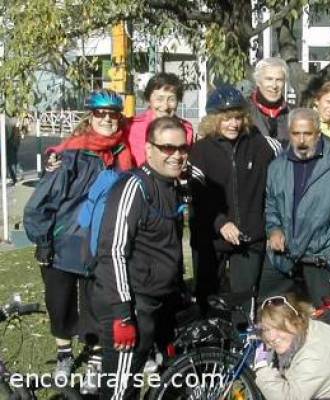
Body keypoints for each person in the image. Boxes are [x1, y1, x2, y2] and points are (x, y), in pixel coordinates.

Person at [23, 90, 133, 382]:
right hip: (64, 244)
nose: (108, 120)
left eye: (113, 114)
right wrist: (43, 240)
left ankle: (95, 362)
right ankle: (64, 356)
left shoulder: (123, 154)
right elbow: (41, 202)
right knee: (59, 305)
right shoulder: (70, 154)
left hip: (102, 246)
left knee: (97, 307)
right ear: (90, 116)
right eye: (101, 114)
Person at [91, 116, 188, 399]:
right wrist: (123, 315)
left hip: (157, 301)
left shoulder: (172, 186)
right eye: (167, 148)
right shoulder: (134, 187)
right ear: (148, 149)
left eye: (182, 148)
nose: (177, 155)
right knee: (120, 391)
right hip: (129, 304)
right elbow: (112, 252)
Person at [264, 108, 330, 307]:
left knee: (328, 324)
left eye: (308, 133)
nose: (302, 140)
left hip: (322, 257)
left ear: (318, 134)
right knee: (270, 315)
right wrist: (274, 229)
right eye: (296, 134)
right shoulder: (277, 167)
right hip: (284, 257)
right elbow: (271, 205)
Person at [189, 85, 277, 313]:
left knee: (244, 302)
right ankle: (210, 347)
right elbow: (197, 195)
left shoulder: (260, 146)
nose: (233, 124)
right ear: (214, 119)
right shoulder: (199, 151)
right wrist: (221, 222)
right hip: (210, 237)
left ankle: (241, 345)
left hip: (250, 236)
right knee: (208, 300)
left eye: (238, 118)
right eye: (226, 119)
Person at [125, 72, 194, 165]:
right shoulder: (132, 127)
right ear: (149, 99)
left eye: (171, 99)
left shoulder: (186, 129)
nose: (165, 106)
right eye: (159, 99)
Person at [249, 57, 290, 147]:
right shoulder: (245, 111)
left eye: (279, 80)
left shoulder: (292, 114)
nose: (274, 85)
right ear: (258, 81)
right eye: (269, 79)